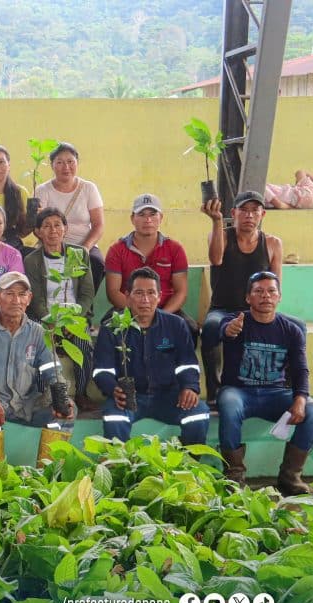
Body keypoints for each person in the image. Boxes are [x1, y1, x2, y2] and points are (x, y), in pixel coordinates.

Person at [217, 271, 313, 495]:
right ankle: (234, 477)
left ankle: (290, 477)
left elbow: (300, 369)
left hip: (275, 394)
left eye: (271, 291)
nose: (265, 296)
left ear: (279, 296)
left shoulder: (291, 330)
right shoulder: (237, 321)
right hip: (239, 392)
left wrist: (301, 398)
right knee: (227, 402)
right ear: (248, 298)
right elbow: (224, 331)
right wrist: (228, 330)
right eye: (259, 291)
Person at [94, 267, 209, 445]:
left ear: (159, 296)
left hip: (169, 396)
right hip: (129, 398)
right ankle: (118, 467)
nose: (145, 300)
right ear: (127, 296)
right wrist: (112, 388)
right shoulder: (111, 328)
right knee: (114, 418)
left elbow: (188, 364)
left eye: (151, 293)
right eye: (138, 293)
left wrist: (190, 387)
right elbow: (102, 370)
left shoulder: (176, 325)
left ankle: (188, 464)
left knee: (198, 413)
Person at [200, 191, 288, 402]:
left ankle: (288, 388)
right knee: (210, 328)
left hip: (257, 311)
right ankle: (214, 391)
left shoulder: (273, 243)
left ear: (262, 214)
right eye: (244, 210)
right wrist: (217, 220)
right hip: (223, 310)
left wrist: (266, 312)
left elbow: (275, 286)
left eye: (254, 210)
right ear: (234, 213)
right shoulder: (220, 234)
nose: (249, 215)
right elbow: (215, 259)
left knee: (294, 329)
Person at [0, 272, 75, 430]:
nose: (16, 301)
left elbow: (52, 371)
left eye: (22, 294)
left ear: (29, 298)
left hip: (27, 405)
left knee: (67, 412)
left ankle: (51, 456)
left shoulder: (38, 332)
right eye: (9, 294)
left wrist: (61, 398)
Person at [24, 208, 95, 409]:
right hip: (45, 317)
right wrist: (51, 321)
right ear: (38, 231)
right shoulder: (32, 260)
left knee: (83, 344)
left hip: (74, 316)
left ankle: (81, 393)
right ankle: (41, 394)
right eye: (46, 226)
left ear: (65, 228)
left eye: (57, 225)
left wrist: (71, 319)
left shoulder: (78, 254)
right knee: (40, 345)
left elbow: (87, 293)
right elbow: (36, 299)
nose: (52, 230)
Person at [104, 193, 197, 336]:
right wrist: (139, 313)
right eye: (141, 214)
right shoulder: (116, 250)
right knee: (108, 328)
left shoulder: (174, 249)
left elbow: (181, 292)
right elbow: (113, 292)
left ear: (161, 218)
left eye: (153, 214)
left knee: (190, 329)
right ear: (132, 218)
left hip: (166, 309)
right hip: (127, 310)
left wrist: (161, 316)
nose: (148, 220)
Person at [34, 142, 105, 290]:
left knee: (96, 262)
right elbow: (37, 227)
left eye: (70, 162)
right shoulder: (42, 190)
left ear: (77, 163)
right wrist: (53, 245)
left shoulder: (89, 188)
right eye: (59, 162)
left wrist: (85, 248)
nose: (66, 167)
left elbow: (98, 225)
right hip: (52, 243)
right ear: (52, 165)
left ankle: (86, 306)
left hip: (84, 244)